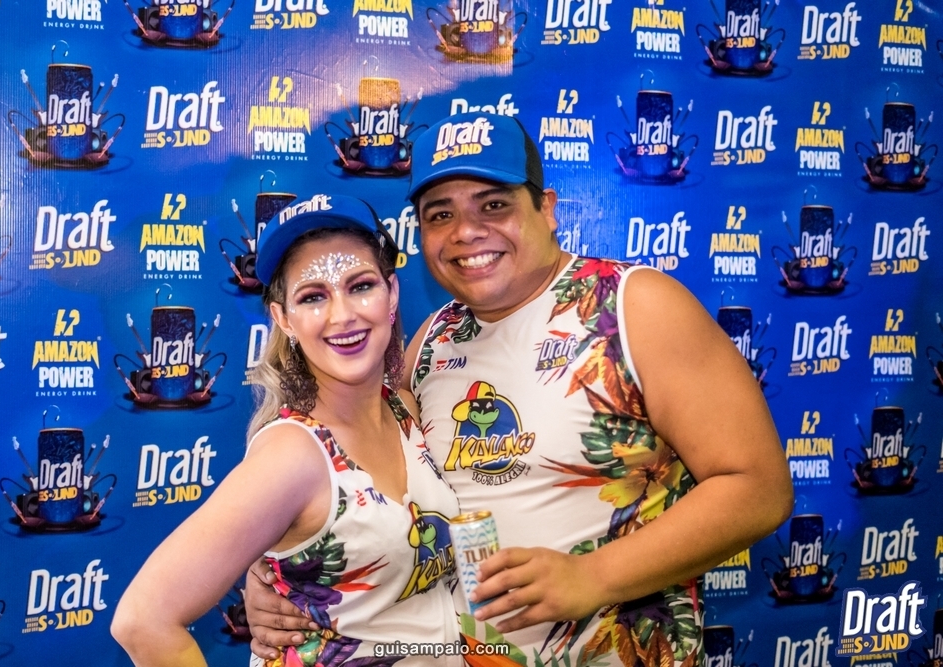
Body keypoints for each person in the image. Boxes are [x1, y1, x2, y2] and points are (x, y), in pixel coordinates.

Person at [244, 114, 794, 666]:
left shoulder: (633, 306)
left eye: (493, 204)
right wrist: (273, 574)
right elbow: (359, 492)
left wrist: (593, 576)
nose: (466, 232)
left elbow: (759, 489)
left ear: (546, 209)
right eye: (441, 215)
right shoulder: (432, 342)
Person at [111, 194, 463, 667]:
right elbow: (142, 620)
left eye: (361, 286)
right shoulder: (292, 455)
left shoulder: (404, 411)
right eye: (312, 297)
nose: (343, 315)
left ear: (392, 293)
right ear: (283, 318)